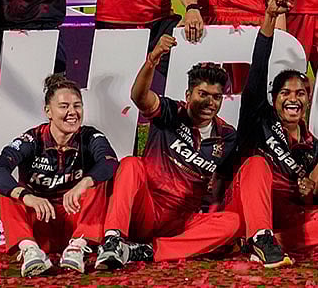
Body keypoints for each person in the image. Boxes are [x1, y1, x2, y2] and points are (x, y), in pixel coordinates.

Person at [224, 0, 318, 267]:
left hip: (284, 217)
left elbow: (311, 195)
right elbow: (258, 69)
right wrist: (270, 19)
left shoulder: (313, 145)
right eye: (285, 93)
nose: (293, 98)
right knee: (256, 164)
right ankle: (259, 235)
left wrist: (307, 192)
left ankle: (267, 242)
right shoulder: (258, 120)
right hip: (246, 204)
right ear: (273, 99)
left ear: (308, 99)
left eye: (300, 93)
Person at [95, 37, 240, 269]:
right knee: (131, 163)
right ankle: (113, 240)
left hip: (182, 222)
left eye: (216, 97)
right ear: (188, 95)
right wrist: (152, 60)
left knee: (232, 222)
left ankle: (146, 251)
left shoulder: (227, 135)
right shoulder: (171, 112)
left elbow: (222, 180)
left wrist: (212, 212)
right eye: (203, 94)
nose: (210, 102)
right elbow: (139, 97)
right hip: (147, 208)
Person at [0, 74, 117, 277]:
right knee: (6, 193)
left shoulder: (90, 136)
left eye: (77, 106)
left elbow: (109, 162)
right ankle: (31, 251)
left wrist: (84, 183)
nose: (72, 112)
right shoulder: (32, 139)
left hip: (76, 221)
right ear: (48, 111)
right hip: (41, 221)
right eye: (64, 106)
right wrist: (27, 196)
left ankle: (77, 249)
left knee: (98, 183)